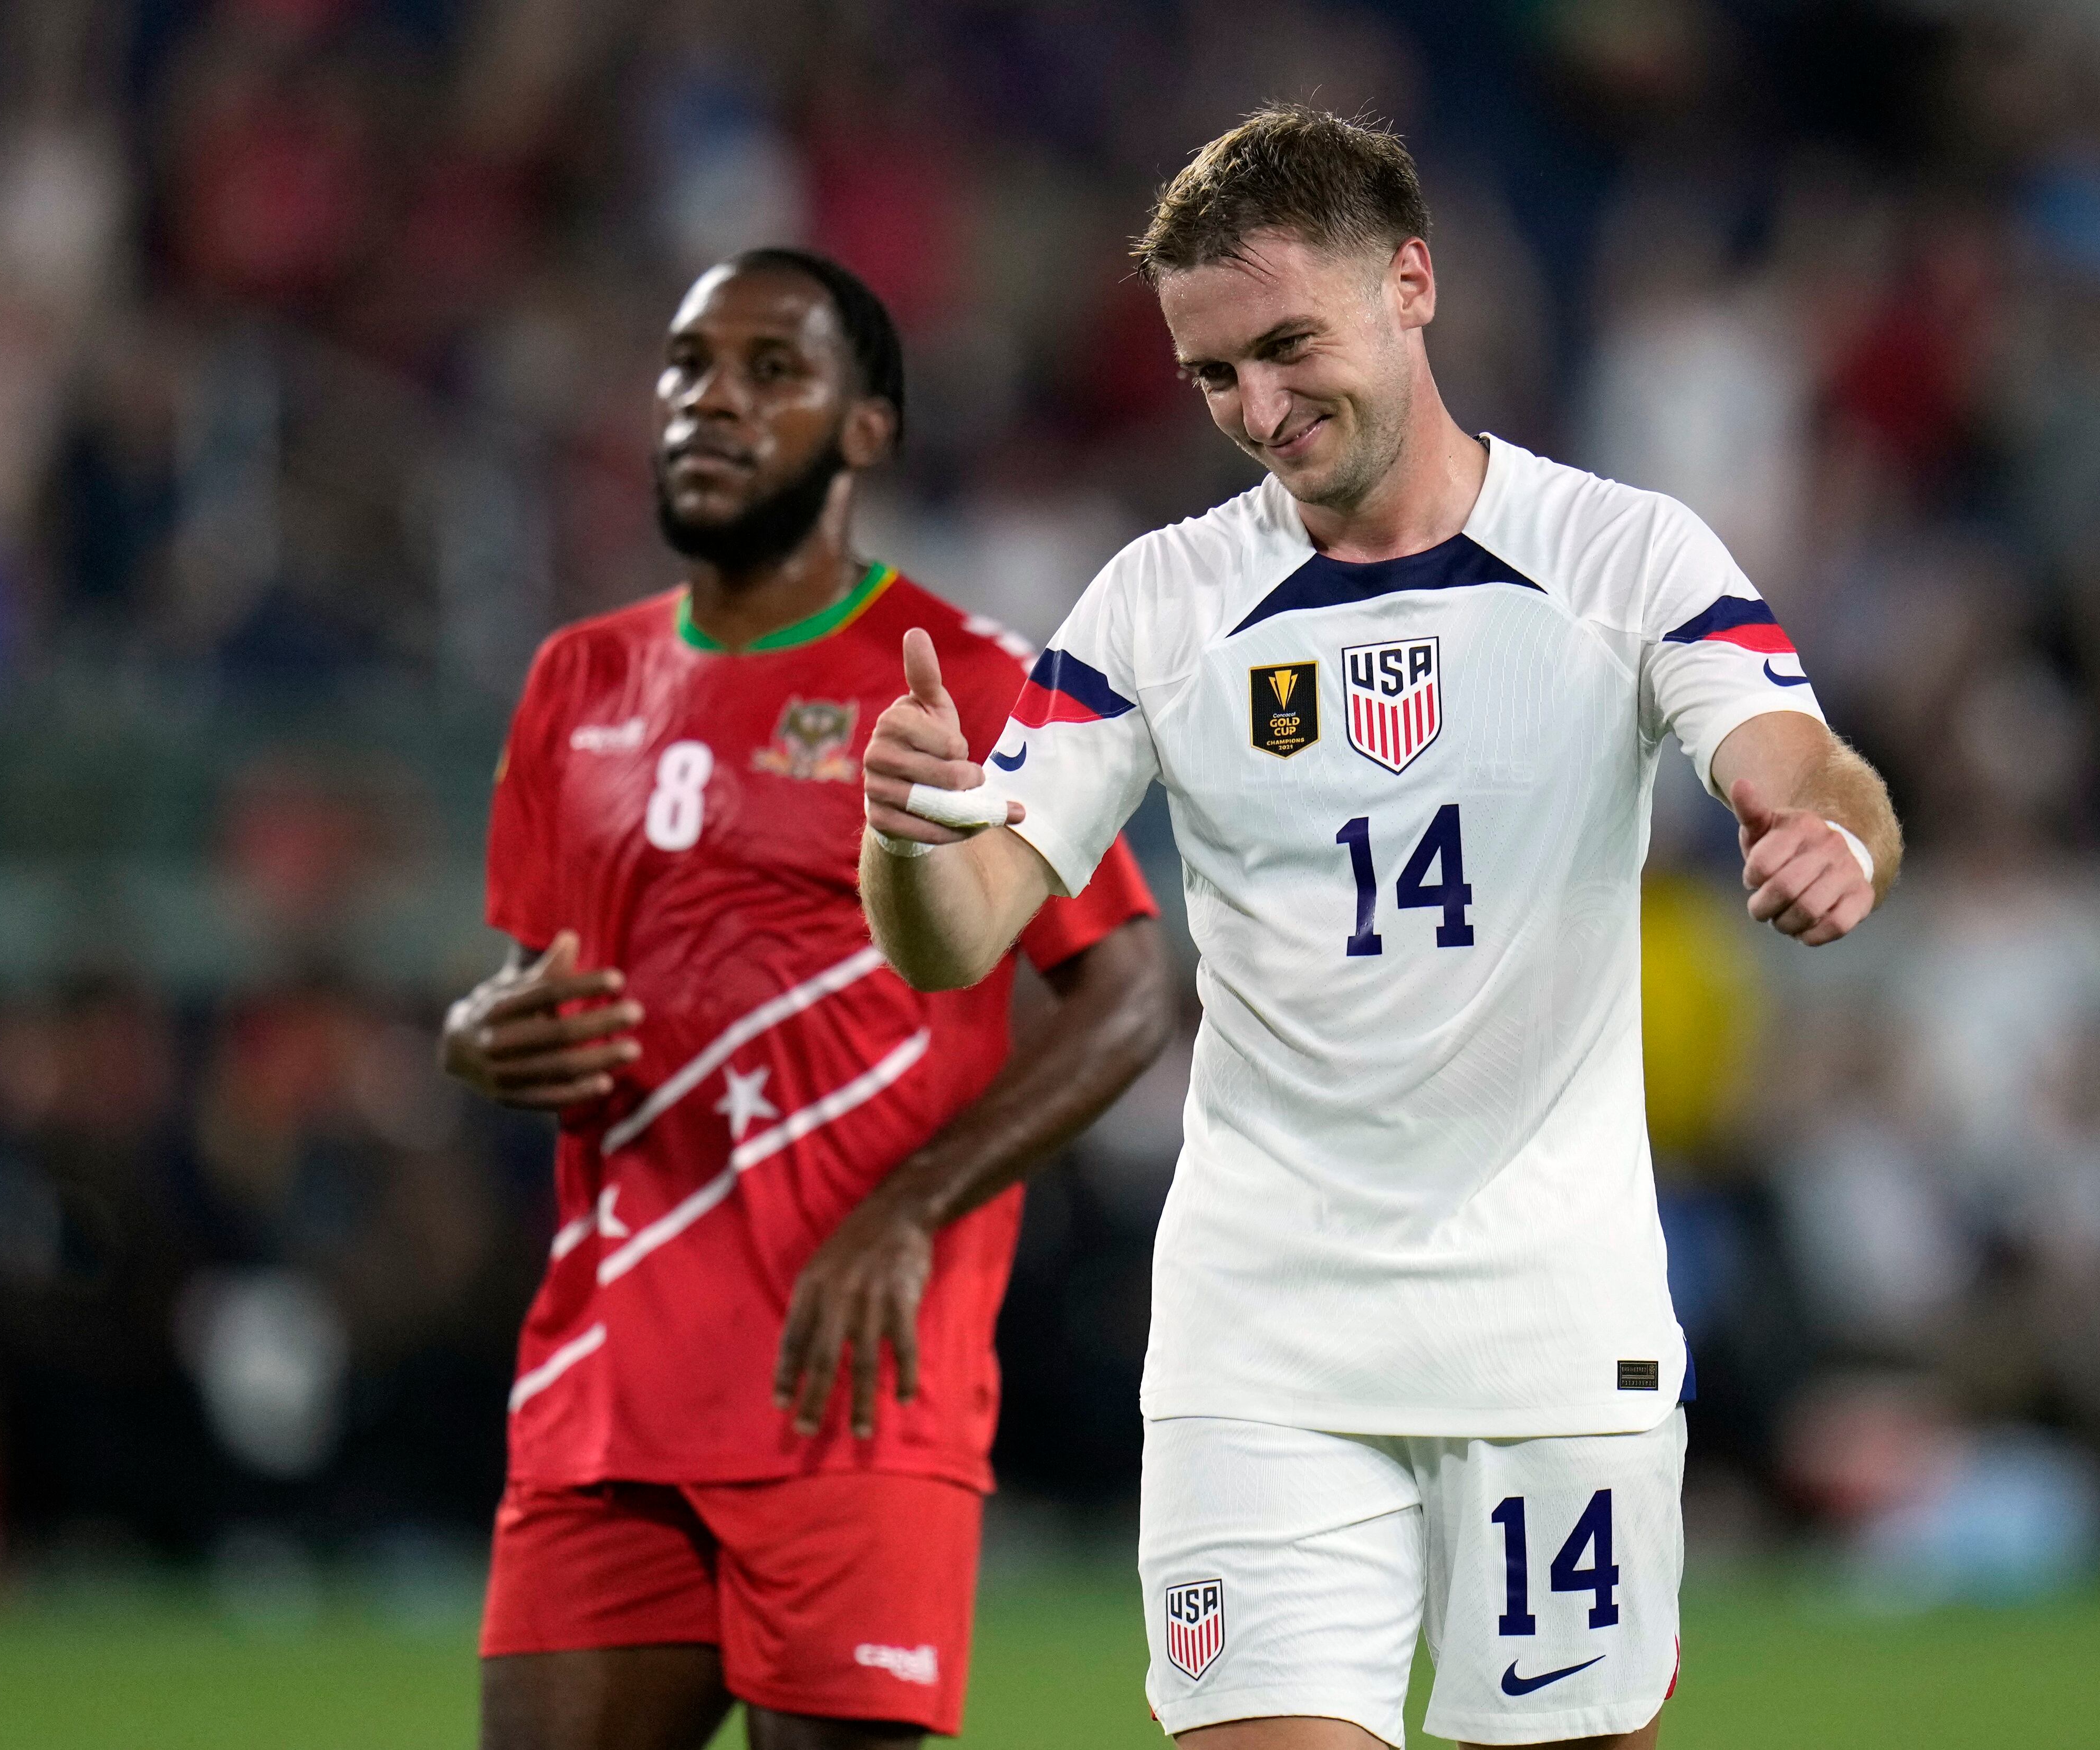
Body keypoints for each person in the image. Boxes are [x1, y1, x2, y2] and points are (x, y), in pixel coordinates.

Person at [859, 110, 1901, 1750]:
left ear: (1412, 284)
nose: (1257, 412)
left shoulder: (1618, 555)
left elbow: (1802, 759)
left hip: (1551, 1325)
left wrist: (1827, 832)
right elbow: (958, 931)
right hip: (1263, 1333)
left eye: (1287, 347)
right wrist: (907, 833)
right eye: (1214, 376)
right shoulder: (1159, 601)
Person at [440, 247, 1171, 1750]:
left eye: (773, 374)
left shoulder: (963, 678)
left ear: (866, 431)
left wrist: (913, 1208)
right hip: (606, 1381)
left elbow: (1127, 994)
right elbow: (546, 986)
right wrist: (476, 1034)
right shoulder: (576, 678)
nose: (715, 403)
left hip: (853, 1386)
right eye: (689, 366)